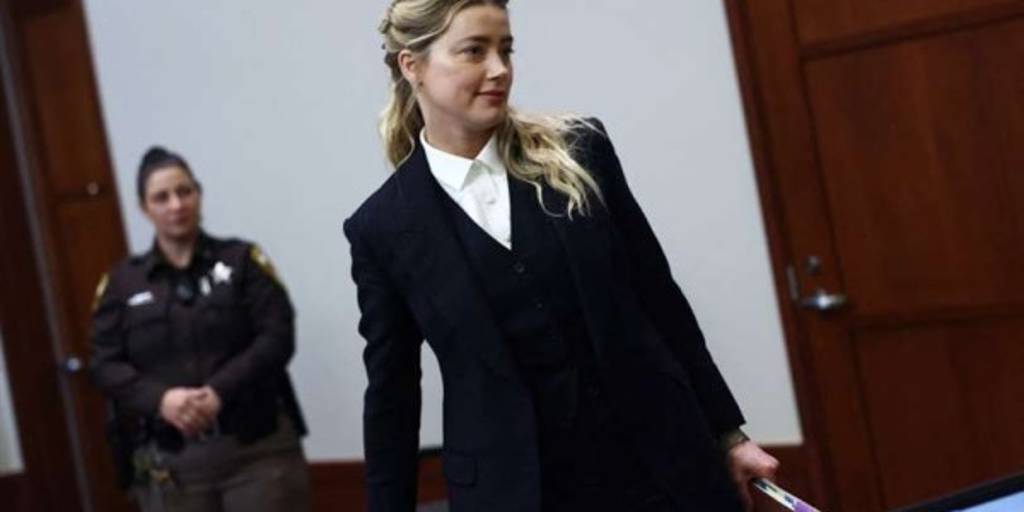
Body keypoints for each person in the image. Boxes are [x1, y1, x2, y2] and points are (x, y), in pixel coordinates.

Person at [345, 1, 779, 511]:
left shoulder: (580, 151)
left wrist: (728, 434)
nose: (499, 69)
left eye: (506, 50)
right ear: (412, 65)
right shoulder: (381, 227)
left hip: (662, 468)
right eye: (474, 51)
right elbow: (392, 394)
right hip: (515, 493)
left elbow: (661, 300)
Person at [90, 147, 310, 512]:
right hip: (172, 460)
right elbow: (104, 364)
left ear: (199, 194)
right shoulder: (122, 283)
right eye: (162, 197)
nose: (176, 205)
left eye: (184, 191)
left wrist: (219, 390)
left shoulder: (242, 260)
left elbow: (277, 336)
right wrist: (161, 400)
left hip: (257, 450)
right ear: (144, 208)